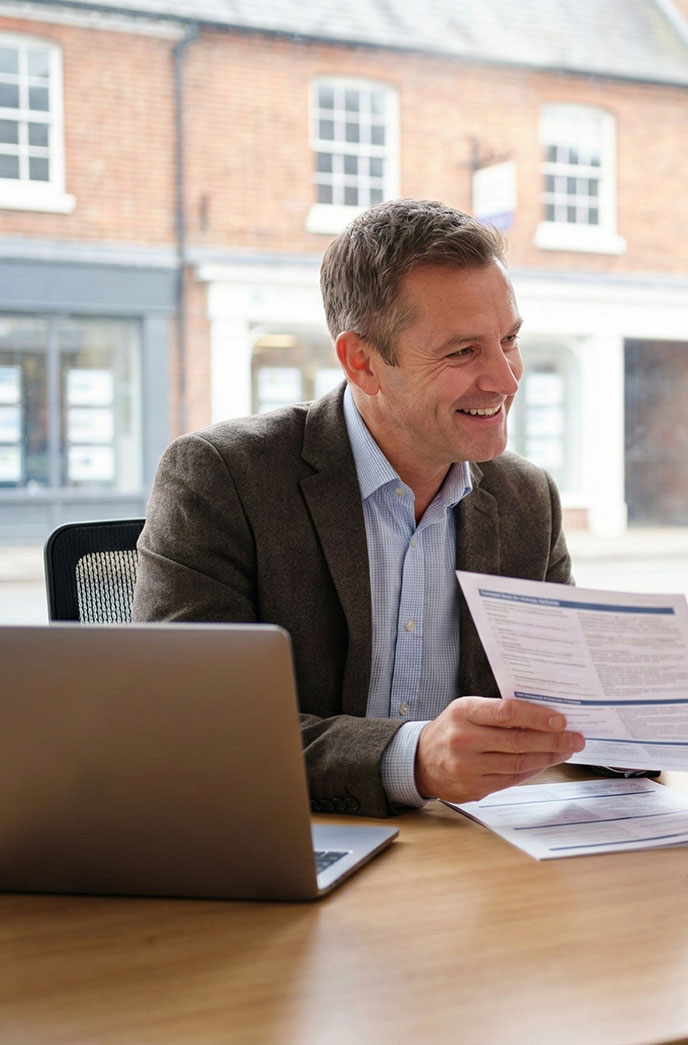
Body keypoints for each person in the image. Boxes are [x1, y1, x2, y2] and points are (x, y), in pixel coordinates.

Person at [134, 198, 584, 818]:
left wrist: (639, 724)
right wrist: (412, 758)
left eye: (509, 340)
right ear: (362, 361)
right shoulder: (223, 478)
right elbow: (188, 723)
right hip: (295, 838)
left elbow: (564, 702)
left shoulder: (525, 497)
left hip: (477, 853)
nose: (506, 378)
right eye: (463, 352)